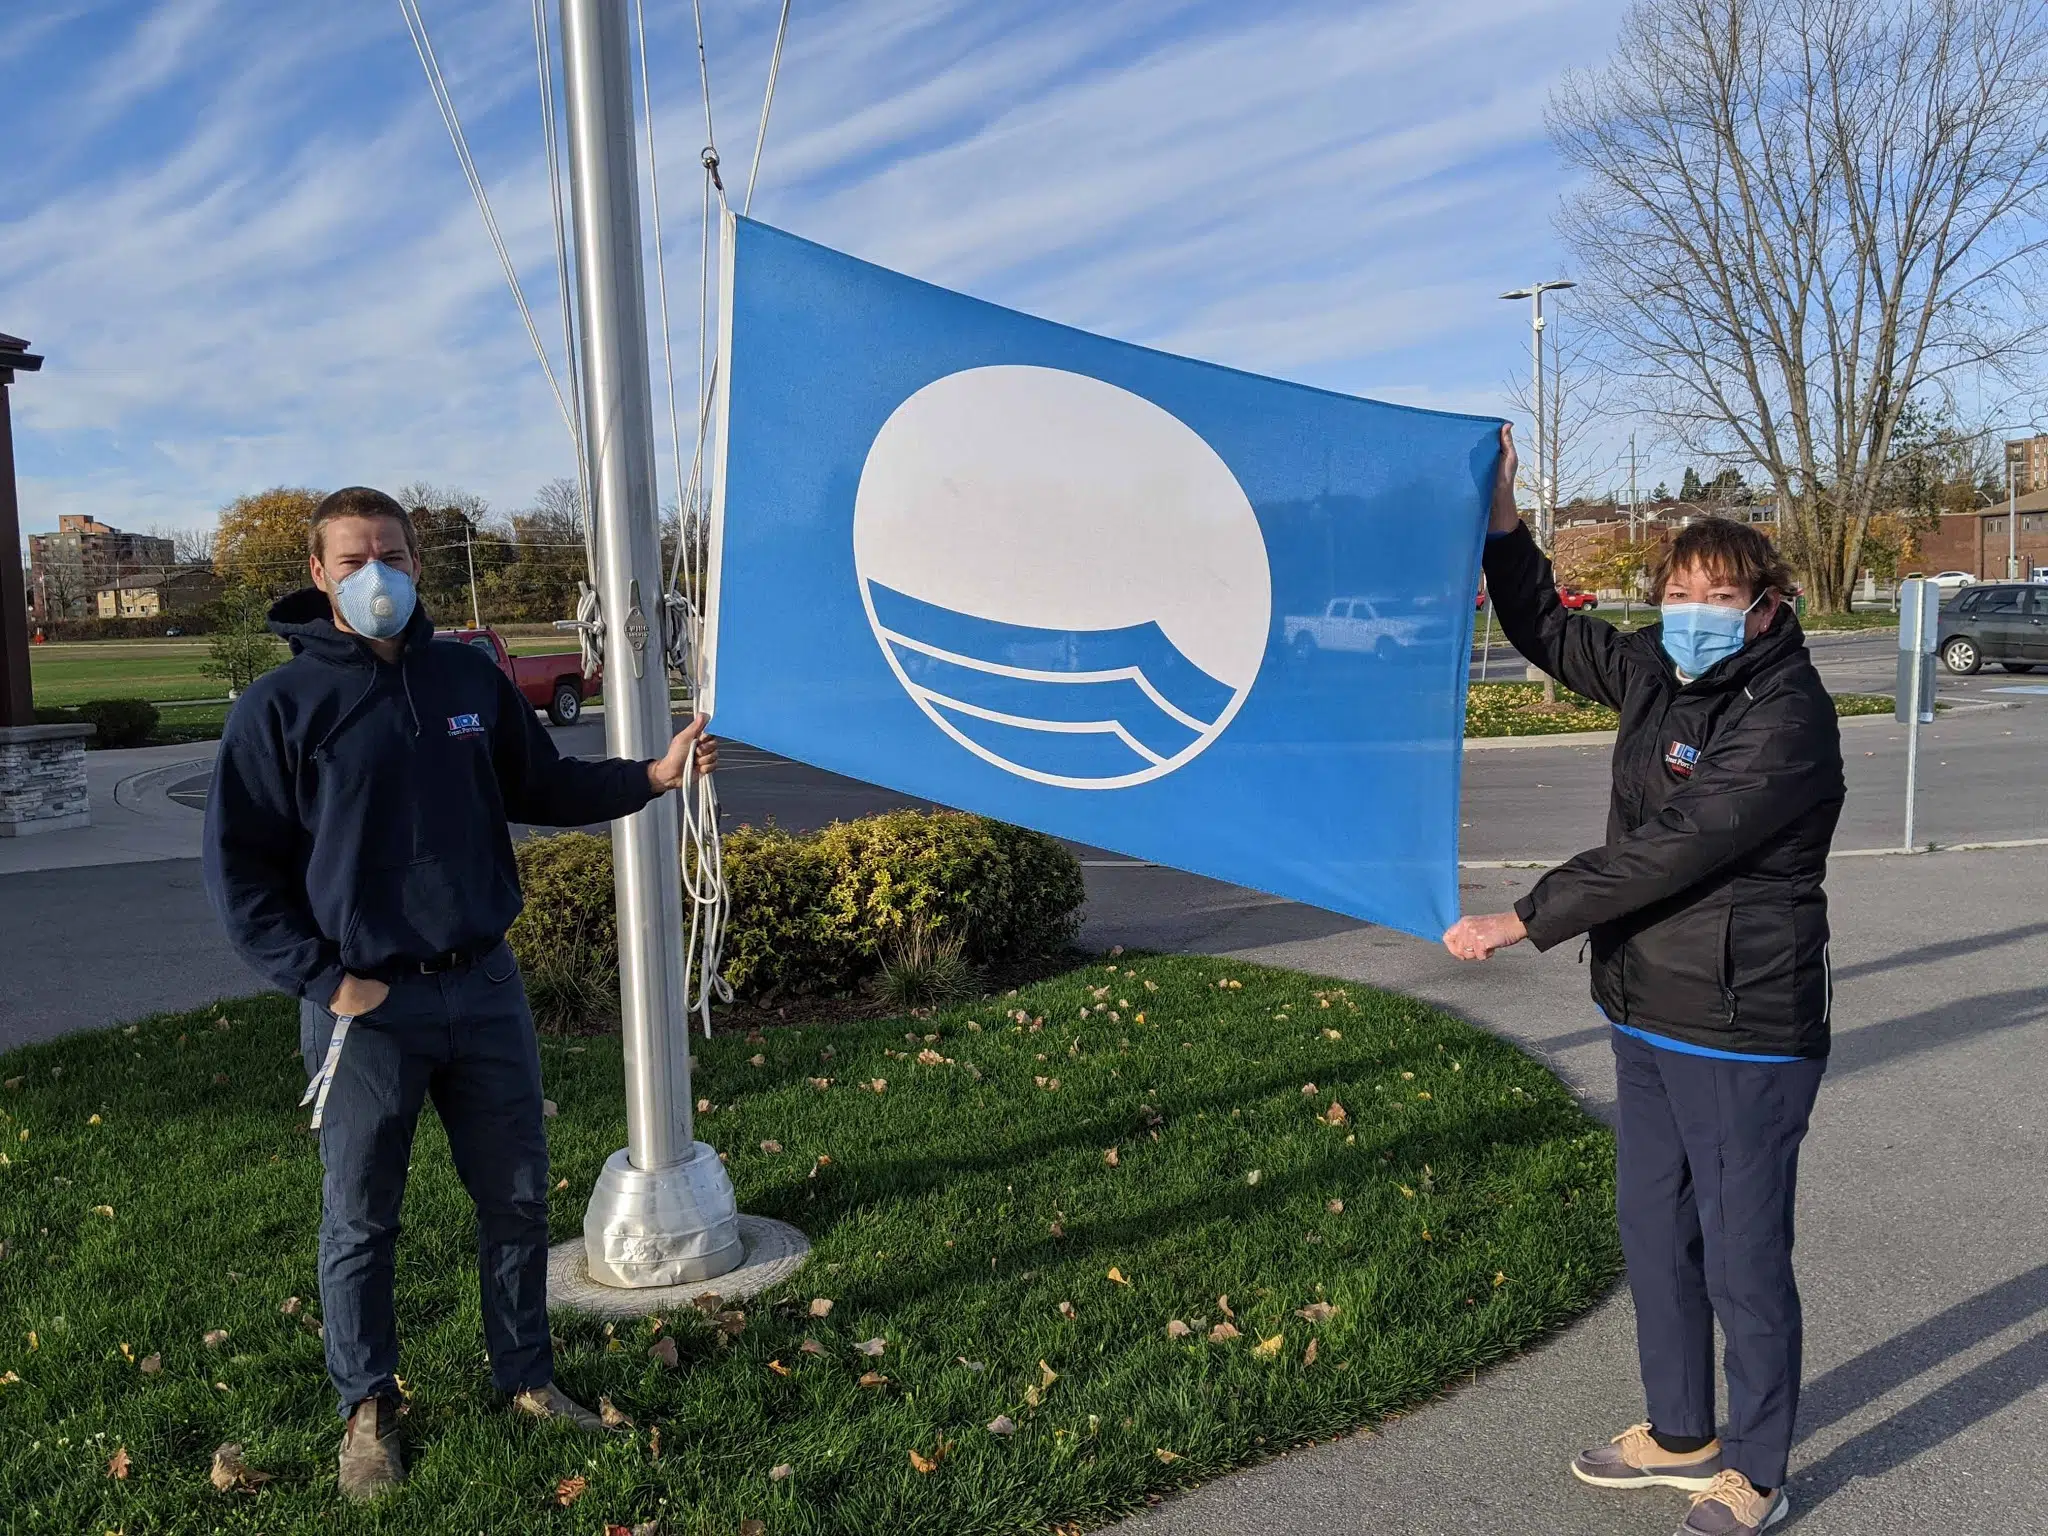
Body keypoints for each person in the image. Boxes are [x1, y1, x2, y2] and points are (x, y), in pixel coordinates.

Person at [202, 486, 717, 1502]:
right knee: (360, 1220)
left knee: (516, 1201)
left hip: (482, 989)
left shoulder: (464, 676)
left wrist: (649, 777)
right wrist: (327, 981)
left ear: (418, 564)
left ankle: (526, 1377)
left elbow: (541, 787)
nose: (375, 574)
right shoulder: (281, 707)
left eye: (390, 553)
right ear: (318, 573)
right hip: (367, 1012)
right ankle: (368, 1409)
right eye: (353, 558)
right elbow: (242, 875)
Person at [1443, 426, 1843, 1536]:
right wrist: (1501, 516)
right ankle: (1680, 1434)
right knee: (1654, 1237)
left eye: (1717, 593)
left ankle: (1755, 1468)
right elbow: (1540, 626)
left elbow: (1668, 847)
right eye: (1677, 591)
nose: (1692, 611)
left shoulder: (1789, 721)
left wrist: (1522, 917)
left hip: (1741, 1027)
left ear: (1765, 605)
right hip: (1643, 1011)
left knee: (1742, 1257)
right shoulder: (1656, 677)